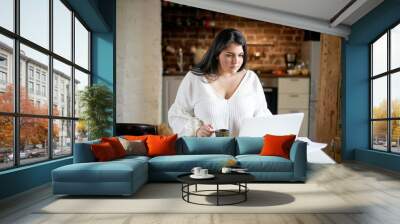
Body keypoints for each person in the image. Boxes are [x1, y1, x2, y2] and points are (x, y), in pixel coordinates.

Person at [168, 28, 272, 137]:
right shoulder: (195, 78)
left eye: (240, 55)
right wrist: (196, 130)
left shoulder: (251, 79)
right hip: (207, 151)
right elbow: (176, 115)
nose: (236, 61)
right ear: (217, 54)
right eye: (229, 55)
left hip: (243, 152)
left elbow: (262, 117)